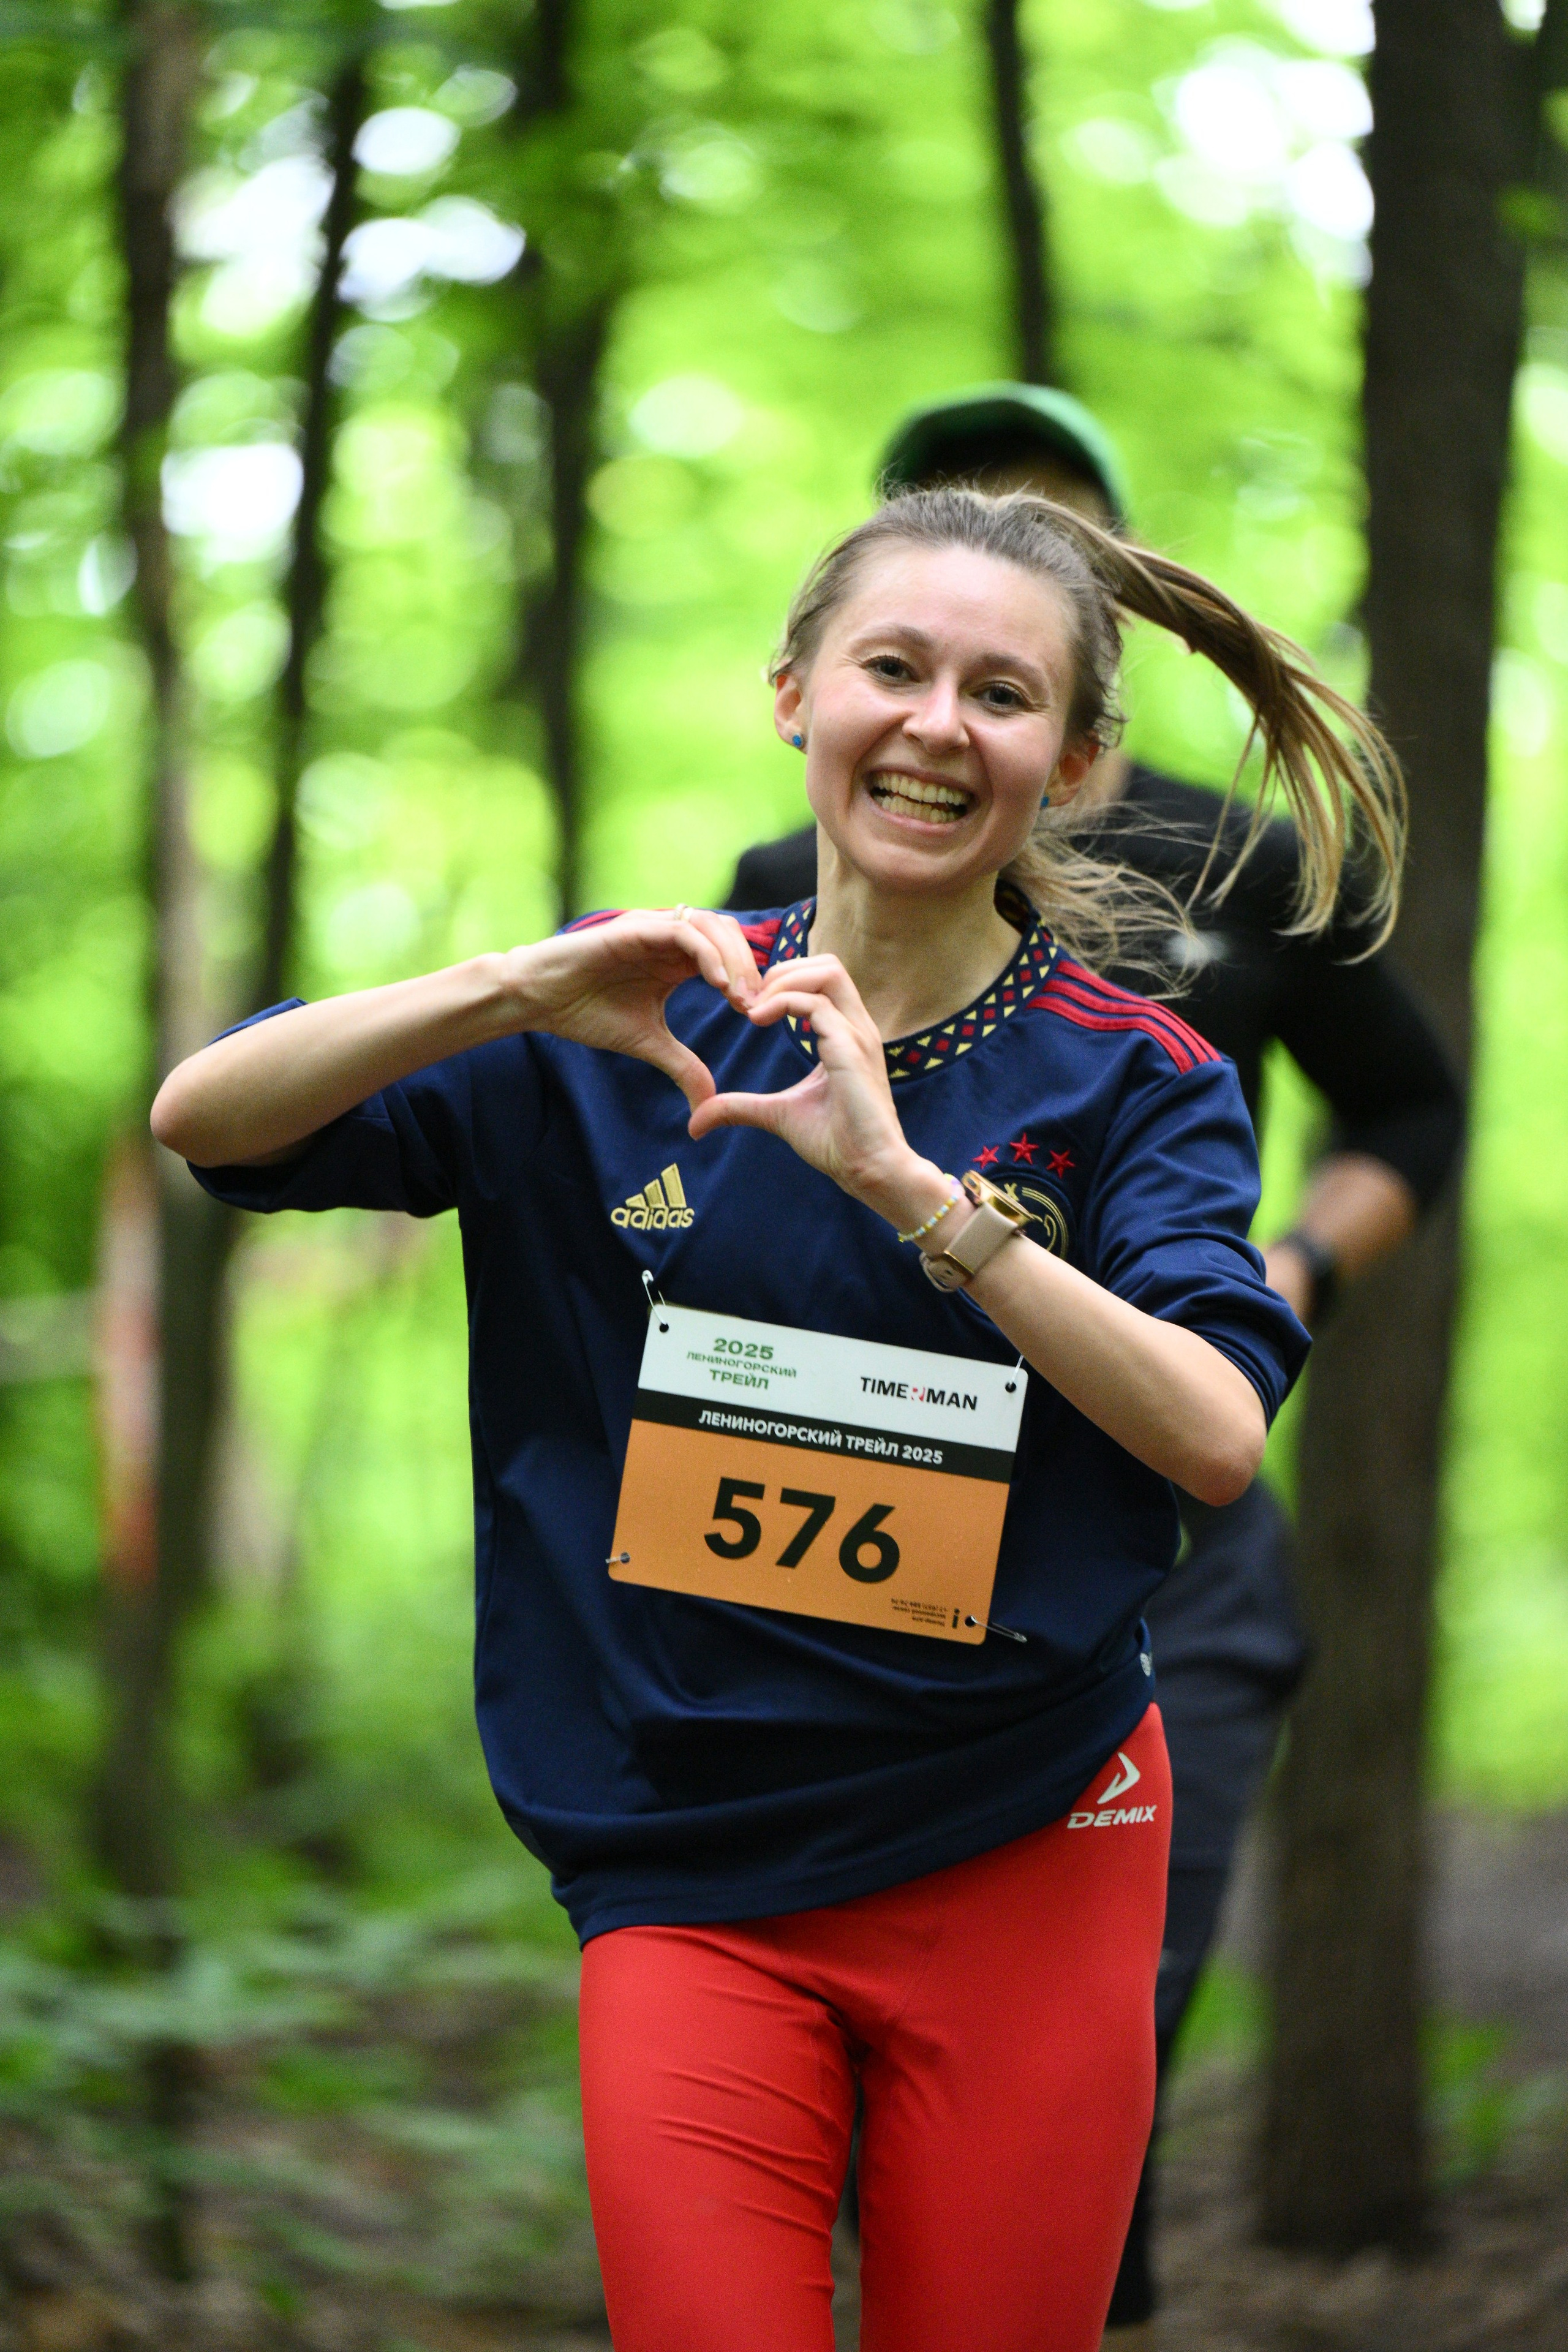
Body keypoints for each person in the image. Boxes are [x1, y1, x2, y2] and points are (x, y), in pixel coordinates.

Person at [151, 485, 1401, 2352]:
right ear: (795, 696)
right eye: (892, 668)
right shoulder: (627, 1011)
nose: (935, 724)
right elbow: (207, 1119)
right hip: (688, 1860)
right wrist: (506, 984)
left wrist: (921, 1198)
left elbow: (1213, 1434)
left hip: (1030, 1835)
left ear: (1066, 766)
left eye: (1000, 694)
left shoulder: (1142, 1080)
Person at [727, 388, 1464, 2337]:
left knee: (1077, 2085)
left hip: (1165, 1558)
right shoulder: (780, 867)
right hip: (860, 1528)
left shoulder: (1243, 867)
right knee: (835, 2078)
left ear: (1096, 655)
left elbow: (1415, 1111)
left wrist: (1281, 1278)